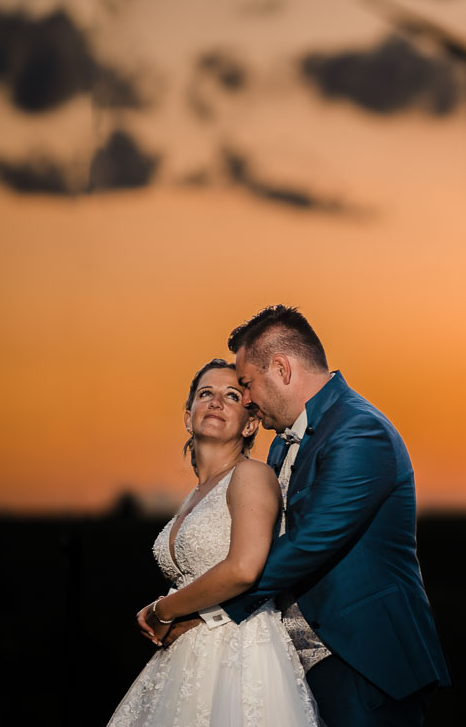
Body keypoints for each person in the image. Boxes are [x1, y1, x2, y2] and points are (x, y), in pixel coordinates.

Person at [164, 305, 450, 726]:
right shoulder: (282, 443)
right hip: (294, 665)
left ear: (281, 368)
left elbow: (309, 542)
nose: (245, 399)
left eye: (246, 384)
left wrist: (206, 611)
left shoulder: (359, 430)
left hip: (363, 658)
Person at [108, 358, 322, 727]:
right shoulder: (196, 495)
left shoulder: (251, 475)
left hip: (239, 654)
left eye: (232, 396)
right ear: (187, 415)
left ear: (250, 422)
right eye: (206, 393)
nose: (216, 402)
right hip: (187, 658)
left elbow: (243, 568)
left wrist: (164, 610)